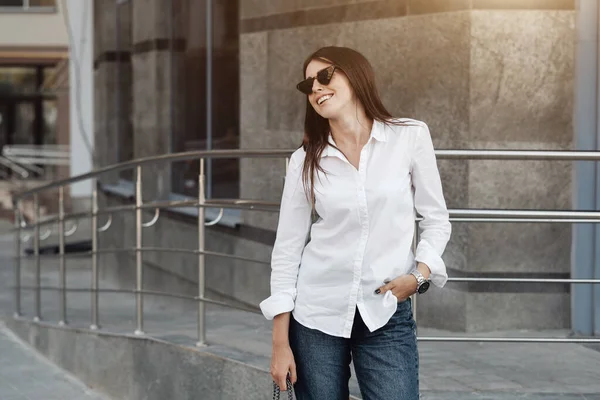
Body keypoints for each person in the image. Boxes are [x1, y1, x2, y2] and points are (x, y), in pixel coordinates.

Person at [259, 46, 452, 400]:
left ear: (356, 75)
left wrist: (419, 276)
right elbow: (287, 250)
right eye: (308, 84)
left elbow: (436, 219)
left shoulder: (408, 136)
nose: (316, 87)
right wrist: (279, 344)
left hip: (385, 313)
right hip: (316, 315)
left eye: (325, 76)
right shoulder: (304, 161)